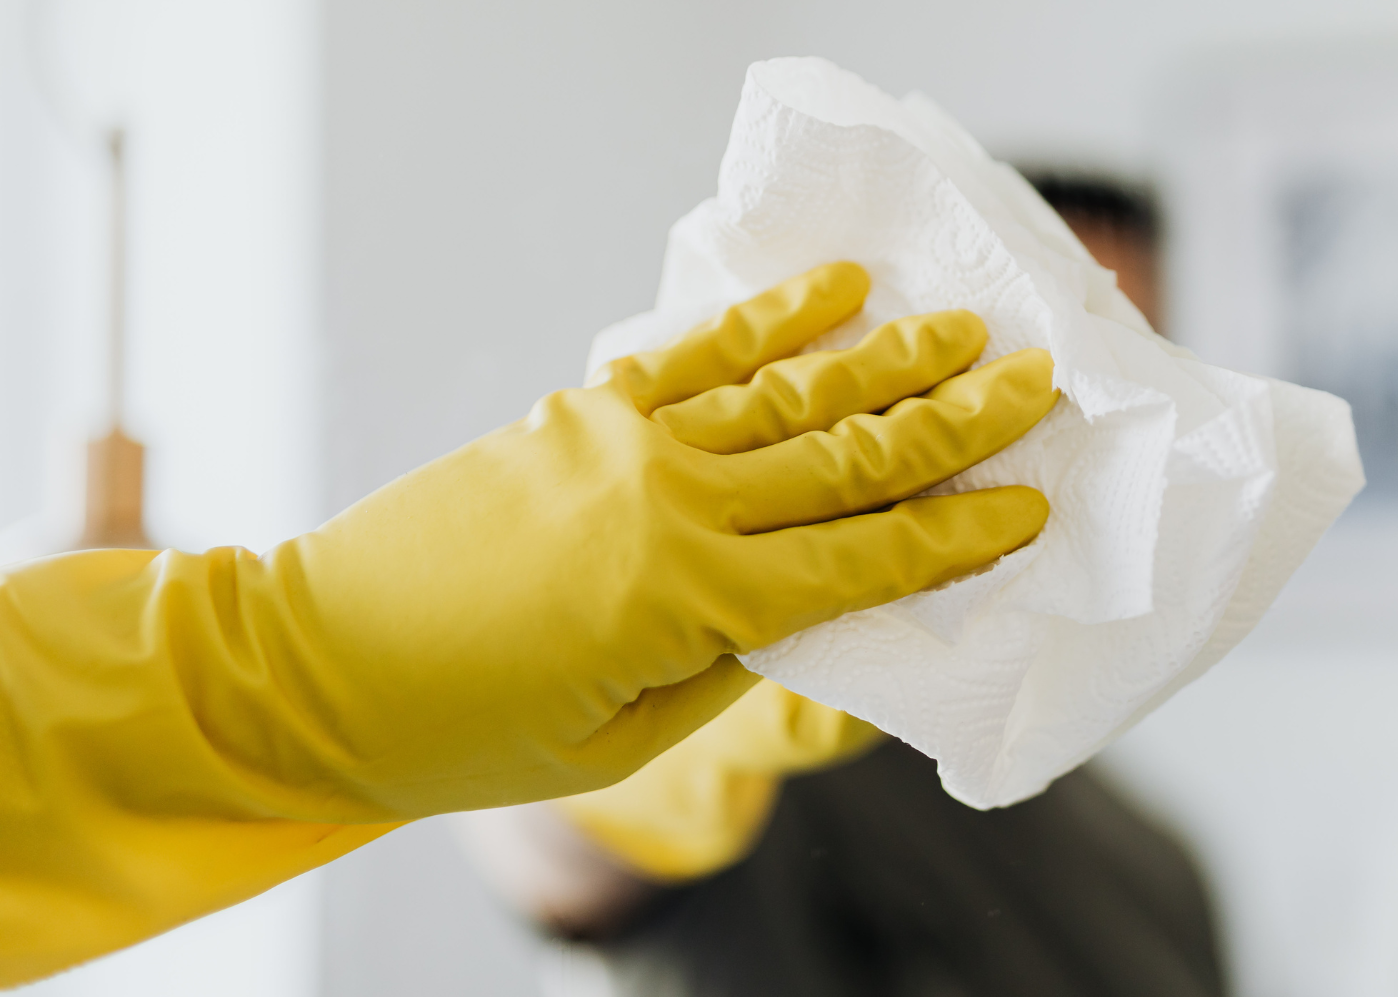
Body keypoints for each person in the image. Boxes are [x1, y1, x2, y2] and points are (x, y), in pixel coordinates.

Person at [0, 261, 1059, 987]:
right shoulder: (765, 730)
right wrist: (316, 656)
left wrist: (299, 666)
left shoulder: (1147, 865)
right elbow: (552, 861)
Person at [460, 172, 1229, 997]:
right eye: (1048, 367)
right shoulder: (772, 763)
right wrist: (630, 746)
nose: (1088, 429)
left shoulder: (1158, 865)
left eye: (1136, 382)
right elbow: (556, 857)